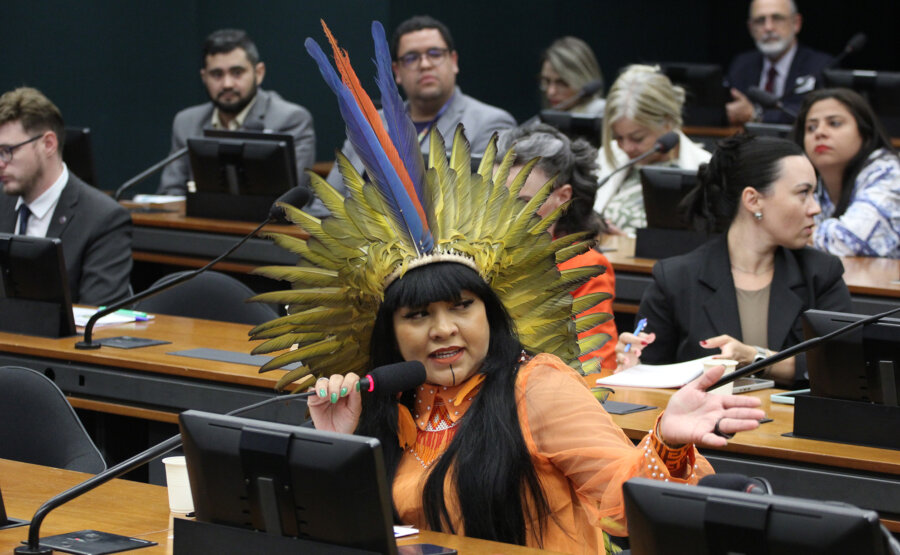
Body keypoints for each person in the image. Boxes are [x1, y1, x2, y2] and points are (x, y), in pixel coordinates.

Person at [253, 23, 766, 555]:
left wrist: (668, 443)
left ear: (490, 313)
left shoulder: (536, 387)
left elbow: (623, 498)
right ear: (390, 332)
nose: (444, 329)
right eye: (417, 316)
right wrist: (341, 445)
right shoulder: (392, 402)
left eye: (461, 306)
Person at [618, 134, 853, 386]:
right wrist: (634, 365)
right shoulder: (676, 278)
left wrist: (756, 358)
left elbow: (841, 365)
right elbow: (650, 374)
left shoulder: (822, 273)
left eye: (815, 194)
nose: (815, 208)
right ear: (753, 200)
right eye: (803, 193)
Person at [323, 15, 516, 195]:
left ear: (454, 61)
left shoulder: (490, 123)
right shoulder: (368, 124)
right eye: (411, 57)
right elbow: (325, 203)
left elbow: (480, 204)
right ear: (396, 72)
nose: (424, 64)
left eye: (435, 53)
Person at [496, 123, 617, 370]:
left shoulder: (584, 267)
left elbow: (592, 364)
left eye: (524, 202)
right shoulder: (466, 254)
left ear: (562, 197)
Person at [158, 29, 319, 212]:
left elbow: (289, 199)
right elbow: (170, 193)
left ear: (258, 73)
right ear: (204, 77)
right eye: (217, 74)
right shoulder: (186, 122)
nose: (227, 84)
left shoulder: (291, 120)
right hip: (200, 230)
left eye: (237, 73)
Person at [0, 87, 132, 306]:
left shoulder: (103, 219)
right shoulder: (3, 202)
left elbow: (96, 318)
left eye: (7, 151)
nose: (1, 163)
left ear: (48, 144)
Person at [593, 65, 711, 236]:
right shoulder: (607, 154)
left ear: (667, 123)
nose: (626, 148)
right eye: (618, 137)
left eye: (637, 138)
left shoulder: (706, 169)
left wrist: (628, 244)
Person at [791, 88, 900, 258]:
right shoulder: (808, 180)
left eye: (834, 123)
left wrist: (788, 235)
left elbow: (848, 241)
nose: (819, 133)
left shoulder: (890, 173)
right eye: (811, 127)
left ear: (865, 133)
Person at [725, 0, 832, 126]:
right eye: (760, 21)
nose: (768, 27)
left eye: (777, 18)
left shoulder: (819, 66)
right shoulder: (741, 65)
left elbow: (813, 115)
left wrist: (757, 115)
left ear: (796, 23)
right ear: (751, 28)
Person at [539, 37, 605, 116]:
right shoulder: (543, 120)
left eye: (562, 83)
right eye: (547, 81)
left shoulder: (602, 113)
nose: (551, 92)